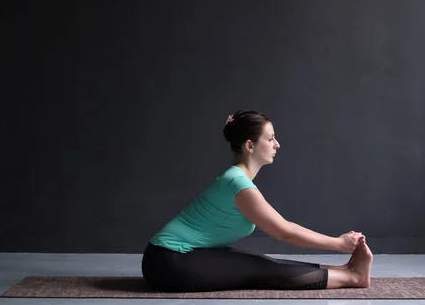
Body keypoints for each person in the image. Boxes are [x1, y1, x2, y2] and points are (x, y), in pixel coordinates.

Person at [141, 109, 373, 292]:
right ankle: (352, 277)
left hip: (175, 256)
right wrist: (338, 244)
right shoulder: (238, 184)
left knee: (257, 262)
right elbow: (285, 232)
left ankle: (345, 270)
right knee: (259, 269)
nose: (277, 144)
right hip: (168, 261)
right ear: (250, 145)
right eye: (270, 138)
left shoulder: (236, 180)